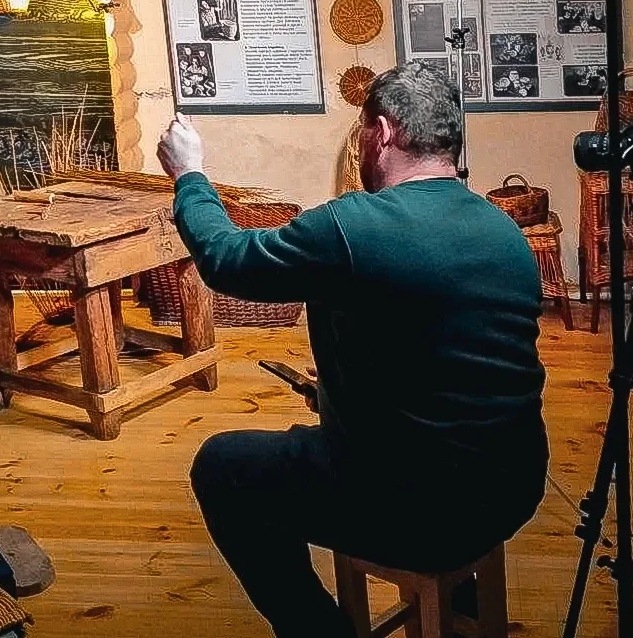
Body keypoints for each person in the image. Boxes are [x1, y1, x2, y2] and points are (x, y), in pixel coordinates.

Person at [160, 62, 548, 638]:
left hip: (418, 509)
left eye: (363, 129)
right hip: (511, 489)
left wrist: (190, 175)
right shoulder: (503, 229)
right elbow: (448, 360)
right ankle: (461, 609)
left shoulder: (352, 226)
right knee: (448, 449)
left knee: (222, 466)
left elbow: (224, 259)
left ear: (382, 132)